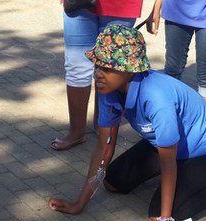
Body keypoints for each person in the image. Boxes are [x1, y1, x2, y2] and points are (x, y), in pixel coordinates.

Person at [48, 24, 206, 221]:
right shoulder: (108, 89)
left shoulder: (158, 99)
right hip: (169, 145)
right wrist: (80, 203)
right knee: (111, 182)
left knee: (159, 216)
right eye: (97, 65)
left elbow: (169, 164)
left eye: (108, 68)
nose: (98, 73)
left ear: (131, 69)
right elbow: (104, 148)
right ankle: (181, 187)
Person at [51, 0, 144, 151]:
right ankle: (76, 132)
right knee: (76, 66)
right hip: (78, 4)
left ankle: (104, 125)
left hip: (121, 5)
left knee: (111, 68)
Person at [144, 0, 206, 108]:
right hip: (175, 13)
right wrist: (156, 9)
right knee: (172, 70)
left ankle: (204, 123)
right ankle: (169, 118)